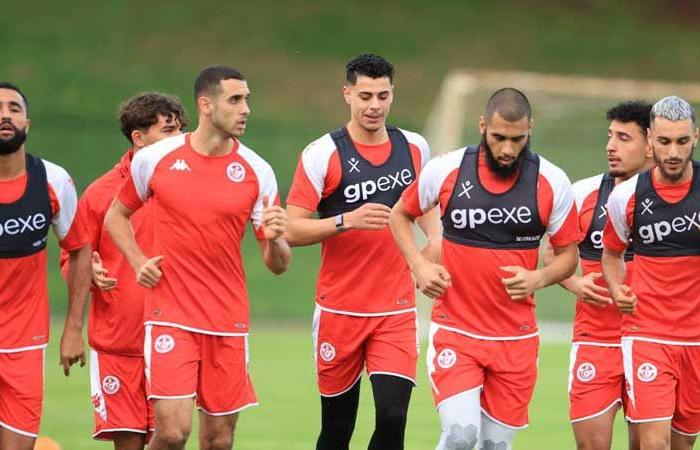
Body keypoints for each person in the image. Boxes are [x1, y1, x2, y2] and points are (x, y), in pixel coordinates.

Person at [104, 66, 291, 450]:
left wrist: (275, 240)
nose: (246, 110)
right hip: (171, 315)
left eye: (247, 100)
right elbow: (115, 216)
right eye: (235, 100)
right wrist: (138, 260)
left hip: (227, 319)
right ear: (206, 105)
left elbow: (278, 264)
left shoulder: (258, 171)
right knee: (172, 434)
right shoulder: (155, 159)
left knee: (219, 440)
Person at [391, 88, 580, 450]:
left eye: (517, 139)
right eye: (499, 138)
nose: (508, 149)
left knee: (494, 447)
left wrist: (538, 277)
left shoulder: (552, 181)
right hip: (457, 331)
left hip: (516, 340)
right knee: (461, 436)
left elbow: (568, 255)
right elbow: (400, 214)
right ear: (482, 126)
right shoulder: (447, 169)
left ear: (530, 130)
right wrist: (419, 265)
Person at [284, 53, 439, 450]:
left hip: (396, 311)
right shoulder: (323, 153)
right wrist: (344, 221)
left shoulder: (415, 147)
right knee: (338, 428)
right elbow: (291, 229)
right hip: (340, 310)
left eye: (382, 96)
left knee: (392, 418)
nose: (374, 106)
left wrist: (430, 252)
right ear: (347, 94)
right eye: (365, 95)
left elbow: (428, 213)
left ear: (392, 95)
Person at [60, 92, 187, 449]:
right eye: (168, 131)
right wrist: (91, 272)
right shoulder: (100, 193)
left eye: (180, 131)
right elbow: (72, 258)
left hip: (173, 339)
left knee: (172, 438)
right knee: (129, 443)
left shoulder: (186, 190)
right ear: (138, 137)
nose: (178, 140)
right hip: (118, 342)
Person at [551, 101, 652, 450]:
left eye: (624, 138)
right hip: (595, 341)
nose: (611, 146)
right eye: (610, 136)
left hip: (653, 343)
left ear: (651, 144)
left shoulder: (677, 200)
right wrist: (573, 281)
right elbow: (550, 250)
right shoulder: (583, 193)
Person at [603, 96, 700, 450]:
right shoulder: (626, 197)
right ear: (649, 139)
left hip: (696, 340)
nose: (673, 152)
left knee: (681, 445)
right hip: (648, 333)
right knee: (653, 444)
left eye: (682, 141)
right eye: (663, 141)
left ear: (696, 137)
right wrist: (617, 287)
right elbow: (611, 254)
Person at [0, 82, 91, 450]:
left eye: (14, 108)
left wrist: (73, 328)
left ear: (28, 123)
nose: (5, 115)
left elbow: (80, 248)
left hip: (24, 342)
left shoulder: (53, 180)